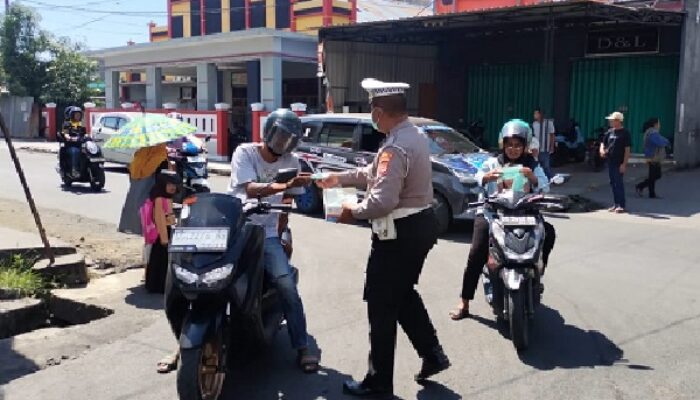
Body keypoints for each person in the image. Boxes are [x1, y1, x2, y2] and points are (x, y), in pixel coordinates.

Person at [318, 78, 450, 398]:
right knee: (402, 293)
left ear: (379, 111)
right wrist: (339, 178)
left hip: (399, 235)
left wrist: (350, 211)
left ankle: (379, 381)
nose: (372, 117)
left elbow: (381, 202)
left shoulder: (395, 145)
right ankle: (432, 353)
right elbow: (371, 173)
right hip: (419, 227)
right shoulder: (411, 134)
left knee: (381, 304)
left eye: (372, 111)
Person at [227, 108, 320, 373]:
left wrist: (281, 229)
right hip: (236, 229)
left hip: (266, 235)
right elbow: (250, 188)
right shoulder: (245, 152)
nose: (284, 143)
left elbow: (290, 198)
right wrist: (281, 185)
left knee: (287, 286)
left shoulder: (292, 162)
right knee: (206, 280)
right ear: (268, 132)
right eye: (280, 136)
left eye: (290, 139)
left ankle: (302, 346)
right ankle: (181, 348)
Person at [450, 119, 556, 321]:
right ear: (503, 145)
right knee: (477, 250)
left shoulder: (532, 165)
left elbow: (545, 187)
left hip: (525, 215)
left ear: (525, 146)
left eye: (518, 145)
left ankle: (537, 271)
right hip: (492, 214)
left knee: (548, 233)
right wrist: (488, 177)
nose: (513, 149)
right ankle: (464, 301)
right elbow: (477, 177)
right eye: (509, 145)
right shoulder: (492, 162)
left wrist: (532, 178)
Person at [144, 170, 180, 293]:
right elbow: (160, 219)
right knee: (161, 261)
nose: (172, 187)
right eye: (169, 184)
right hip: (162, 234)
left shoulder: (166, 197)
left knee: (160, 261)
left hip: (166, 232)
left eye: (174, 185)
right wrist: (165, 239)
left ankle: (157, 285)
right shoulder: (160, 199)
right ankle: (159, 286)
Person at [600, 111, 631, 213]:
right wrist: (602, 150)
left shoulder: (625, 133)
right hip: (610, 161)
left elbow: (627, 150)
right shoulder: (610, 132)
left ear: (618, 121)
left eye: (612, 120)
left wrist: (624, 164)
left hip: (619, 162)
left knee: (618, 183)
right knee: (612, 183)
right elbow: (603, 142)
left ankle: (621, 205)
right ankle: (616, 203)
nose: (610, 122)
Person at [636, 117, 669, 199]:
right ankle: (641, 186)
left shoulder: (652, 132)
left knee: (654, 175)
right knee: (656, 175)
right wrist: (667, 142)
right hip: (653, 156)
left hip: (653, 156)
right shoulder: (652, 133)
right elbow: (659, 142)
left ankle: (651, 193)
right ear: (655, 124)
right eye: (659, 123)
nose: (660, 125)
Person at [59, 106, 87, 176]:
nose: (78, 116)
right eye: (76, 114)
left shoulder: (81, 124)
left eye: (79, 114)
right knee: (75, 151)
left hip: (81, 145)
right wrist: (71, 138)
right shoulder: (67, 124)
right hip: (71, 145)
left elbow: (85, 134)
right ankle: (74, 170)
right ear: (72, 115)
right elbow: (66, 134)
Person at [532, 108, 556, 179]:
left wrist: (552, 146)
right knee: (535, 165)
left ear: (540, 114)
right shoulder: (534, 124)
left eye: (536, 113)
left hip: (545, 149)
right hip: (536, 149)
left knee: (545, 166)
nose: (534, 115)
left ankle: (550, 179)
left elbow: (552, 135)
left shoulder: (549, 123)